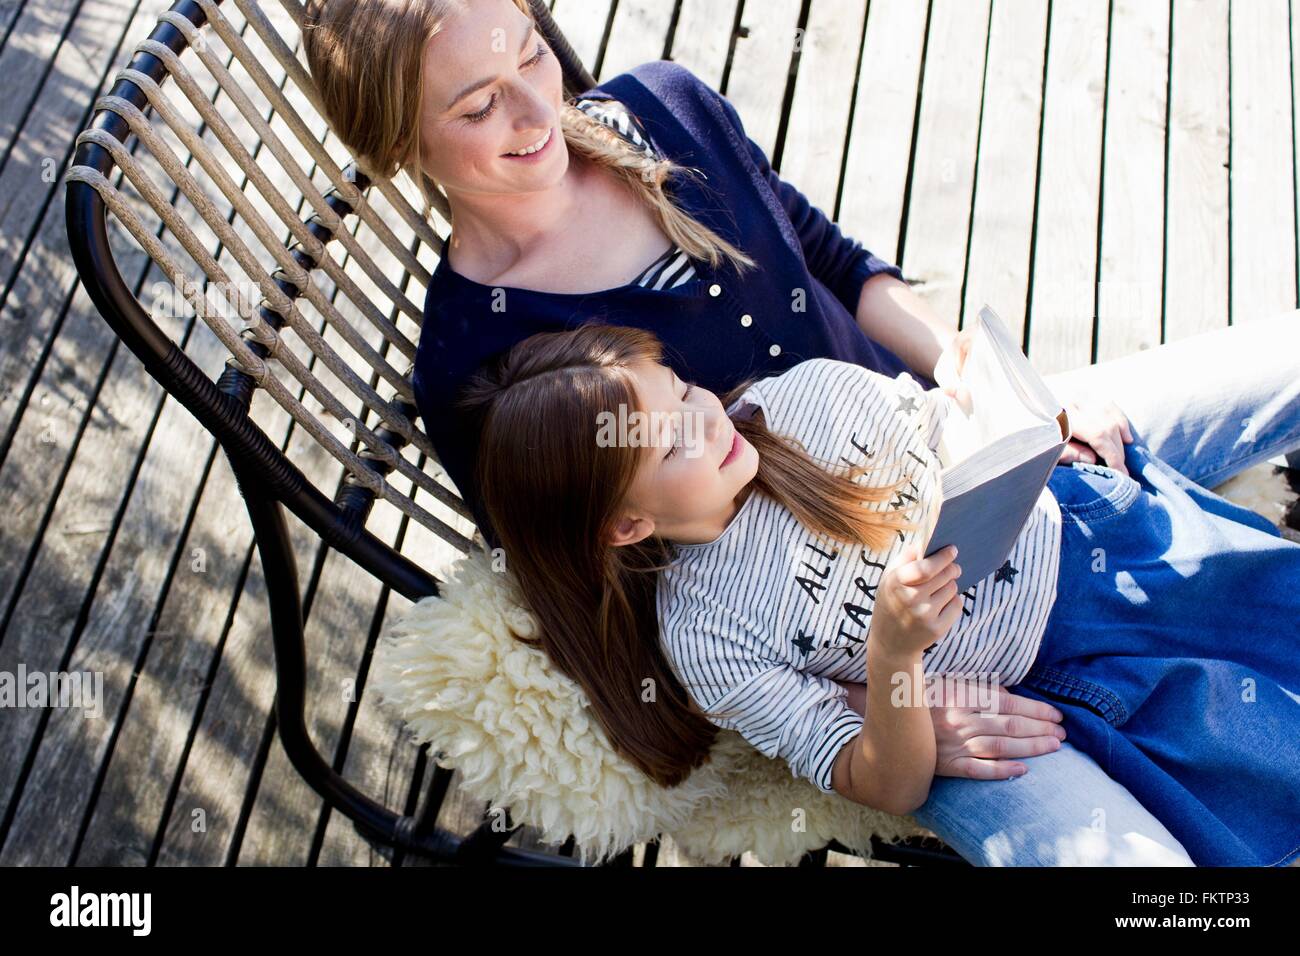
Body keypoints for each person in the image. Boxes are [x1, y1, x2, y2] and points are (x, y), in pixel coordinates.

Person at [302, 0, 1300, 864]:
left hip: (949, 452)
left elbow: (826, 252)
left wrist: (985, 382)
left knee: (1276, 363)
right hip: (869, 651)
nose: (534, 108)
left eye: (528, 50)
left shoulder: (662, 109)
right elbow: (606, 568)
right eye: (476, 105)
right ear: (402, 145)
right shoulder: (480, 371)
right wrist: (887, 694)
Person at [457, 322, 1300, 866]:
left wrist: (1038, 416)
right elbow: (883, 783)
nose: (710, 421)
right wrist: (892, 655)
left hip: (1090, 524)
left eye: (683, 391)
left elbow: (954, 428)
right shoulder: (705, 639)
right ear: (626, 526)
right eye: (672, 443)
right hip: (1057, 675)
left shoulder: (798, 400)